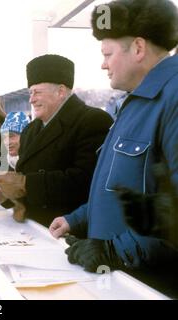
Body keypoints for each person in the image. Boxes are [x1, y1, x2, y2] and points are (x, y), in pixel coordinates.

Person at [49, 0, 178, 297]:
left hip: (146, 287)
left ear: (138, 48)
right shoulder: (134, 103)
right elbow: (120, 185)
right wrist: (77, 219)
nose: (103, 63)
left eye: (107, 53)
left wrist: (113, 251)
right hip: (116, 283)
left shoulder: (172, 98)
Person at [0, 54, 113, 227]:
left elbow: (86, 181)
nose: (31, 99)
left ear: (61, 91)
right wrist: (10, 193)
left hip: (68, 233)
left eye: (37, 92)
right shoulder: (30, 130)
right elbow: (24, 176)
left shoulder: (92, 121)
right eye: (30, 93)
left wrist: (26, 184)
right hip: (34, 230)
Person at [0, 112, 30, 222]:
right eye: (4, 137)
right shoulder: (8, 161)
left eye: (12, 136)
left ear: (26, 136)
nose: (7, 142)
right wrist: (4, 195)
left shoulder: (36, 161)